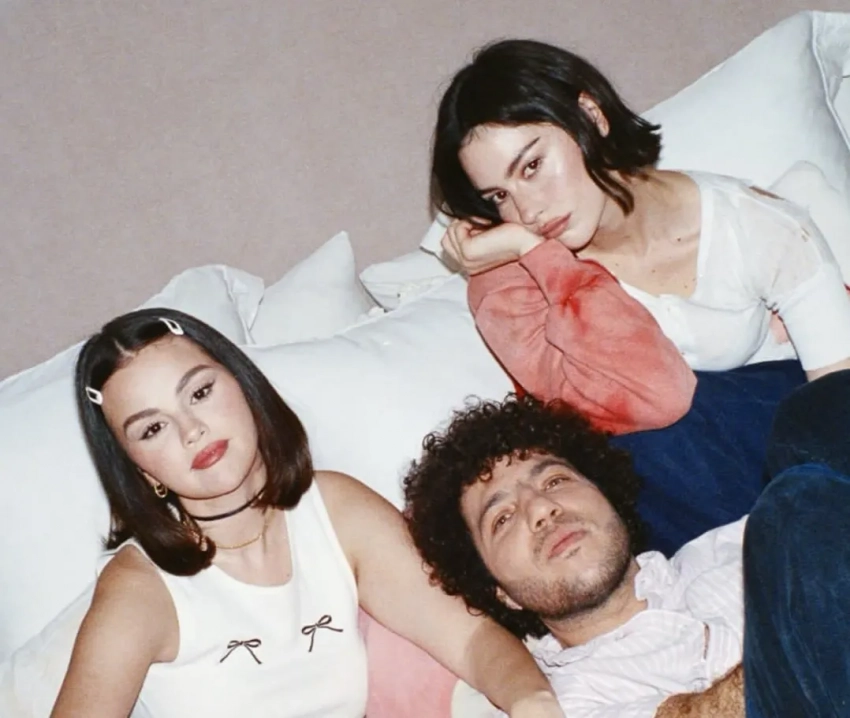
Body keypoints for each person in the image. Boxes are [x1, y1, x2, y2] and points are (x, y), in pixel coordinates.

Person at [51, 308, 565, 718]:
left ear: (243, 386)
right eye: (152, 429)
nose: (192, 430)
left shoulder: (337, 510)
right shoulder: (139, 589)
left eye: (200, 393)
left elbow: (470, 638)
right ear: (141, 472)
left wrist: (531, 699)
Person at [431, 38, 850, 435]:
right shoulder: (518, 276)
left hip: (784, 443)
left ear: (591, 115)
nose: (527, 212)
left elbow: (838, 415)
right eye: (500, 196)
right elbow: (638, 403)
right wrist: (533, 254)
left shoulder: (759, 228)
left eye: (532, 166)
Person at [403, 383, 850, 717]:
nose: (541, 508)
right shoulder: (566, 700)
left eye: (555, 480)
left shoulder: (728, 548)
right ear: (500, 592)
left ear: (605, 495)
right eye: (502, 519)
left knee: (811, 419)